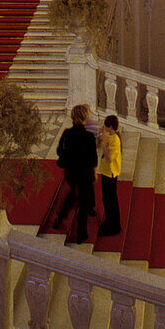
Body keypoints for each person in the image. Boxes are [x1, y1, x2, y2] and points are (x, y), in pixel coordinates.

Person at [54, 104, 98, 243]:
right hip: (84, 173)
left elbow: (59, 151)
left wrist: (69, 159)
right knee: (83, 203)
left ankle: (60, 218)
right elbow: (93, 158)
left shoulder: (67, 133)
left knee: (73, 195)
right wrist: (94, 173)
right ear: (85, 117)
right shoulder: (89, 136)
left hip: (71, 172)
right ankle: (81, 233)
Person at [97, 114, 122, 236]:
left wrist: (104, 148)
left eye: (106, 125)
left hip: (110, 173)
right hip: (105, 171)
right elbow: (101, 140)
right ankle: (109, 221)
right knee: (106, 199)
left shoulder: (116, 140)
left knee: (110, 200)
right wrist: (101, 134)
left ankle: (114, 225)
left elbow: (110, 158)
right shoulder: (110, 135)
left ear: (111, 126)